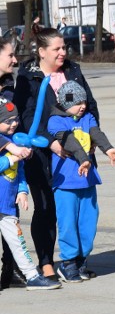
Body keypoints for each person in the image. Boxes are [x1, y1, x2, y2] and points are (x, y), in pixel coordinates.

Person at [14, 26, 99, 281]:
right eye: (57, 49)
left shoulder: (73, 71)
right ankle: (47, 261)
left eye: (64, 48)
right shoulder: (29, 77)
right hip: (43, 154)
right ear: (42, 52)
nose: (63, 52)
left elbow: (91, 105)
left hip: (77, 154)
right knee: (46, 207)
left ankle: (76, 261)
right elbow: (26, 115)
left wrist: (93, 136)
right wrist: (50, 142)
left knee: (80, 208)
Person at [47, 81, 115, 283]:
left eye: (84, 102)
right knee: (68, 223)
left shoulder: (87, 117)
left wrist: (108, 149)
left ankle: (82, 259)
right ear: (65, 102)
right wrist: (84, 159)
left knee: (88, 222)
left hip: (87, 181)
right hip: (66, 183)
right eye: (78, 102)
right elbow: (70, 141)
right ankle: (68, 263)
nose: (83, 106)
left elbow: (96, 133)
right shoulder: (55, 121)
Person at [0, 101, 61, 290]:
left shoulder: (16, 142)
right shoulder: (9, 146)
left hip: (6, 204)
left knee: (17, 241)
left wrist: (22, 191)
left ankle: (32, 276)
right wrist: (12, 157)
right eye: (7, 121)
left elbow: (20, 173)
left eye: (15, 119)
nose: (13, 124)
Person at [0, 37, 32, 290]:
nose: (14, 59)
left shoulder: (9, 88)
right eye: (10, 55)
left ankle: (10, 270)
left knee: (9, 219)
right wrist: (10, 146)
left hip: (9, 173)